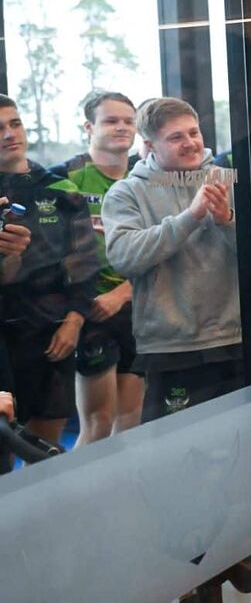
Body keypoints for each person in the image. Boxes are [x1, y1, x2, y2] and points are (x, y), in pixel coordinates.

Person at [103, 97, 241, 425]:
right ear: (150, 146)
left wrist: (227, 221)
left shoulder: (230, 179)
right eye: (176, 137)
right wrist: (190, 217)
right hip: (170, 347)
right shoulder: (126, 193)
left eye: (194, 133)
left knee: (240, 443)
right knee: (174, 454)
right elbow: (124, 257)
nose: (190, 143)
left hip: (236, 338)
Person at [0, 95, 97, 448]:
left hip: (52, 333)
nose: (10, 134)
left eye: (15, 123)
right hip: (4, 341)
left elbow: (85, 262)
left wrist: (74, 321)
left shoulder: (60, 188)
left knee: (47, 454)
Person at [50, 92, 143, 446]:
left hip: (136, 304)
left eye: (128, 121)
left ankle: (121, 496)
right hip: (89, 310)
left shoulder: (146, 176)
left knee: (131, 418)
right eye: (110, 120)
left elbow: (167, 246)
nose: (121, 127)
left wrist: (123, 294)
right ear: (89, 127)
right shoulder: (64, 179)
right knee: (98, 422)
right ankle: (78, 500)